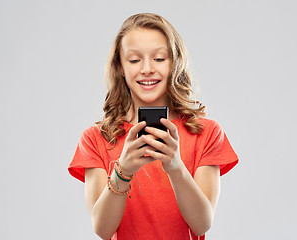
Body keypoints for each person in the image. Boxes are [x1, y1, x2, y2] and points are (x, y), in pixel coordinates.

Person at [68, 13, 238, 240]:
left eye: (159, 59)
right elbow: (102, 228)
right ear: (120, 66)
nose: (147, 69)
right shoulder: (96, 138)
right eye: (134, 60)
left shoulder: (205, 133)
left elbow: (202, 224)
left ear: (174, 62)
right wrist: (124, 171)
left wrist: (176, 167)